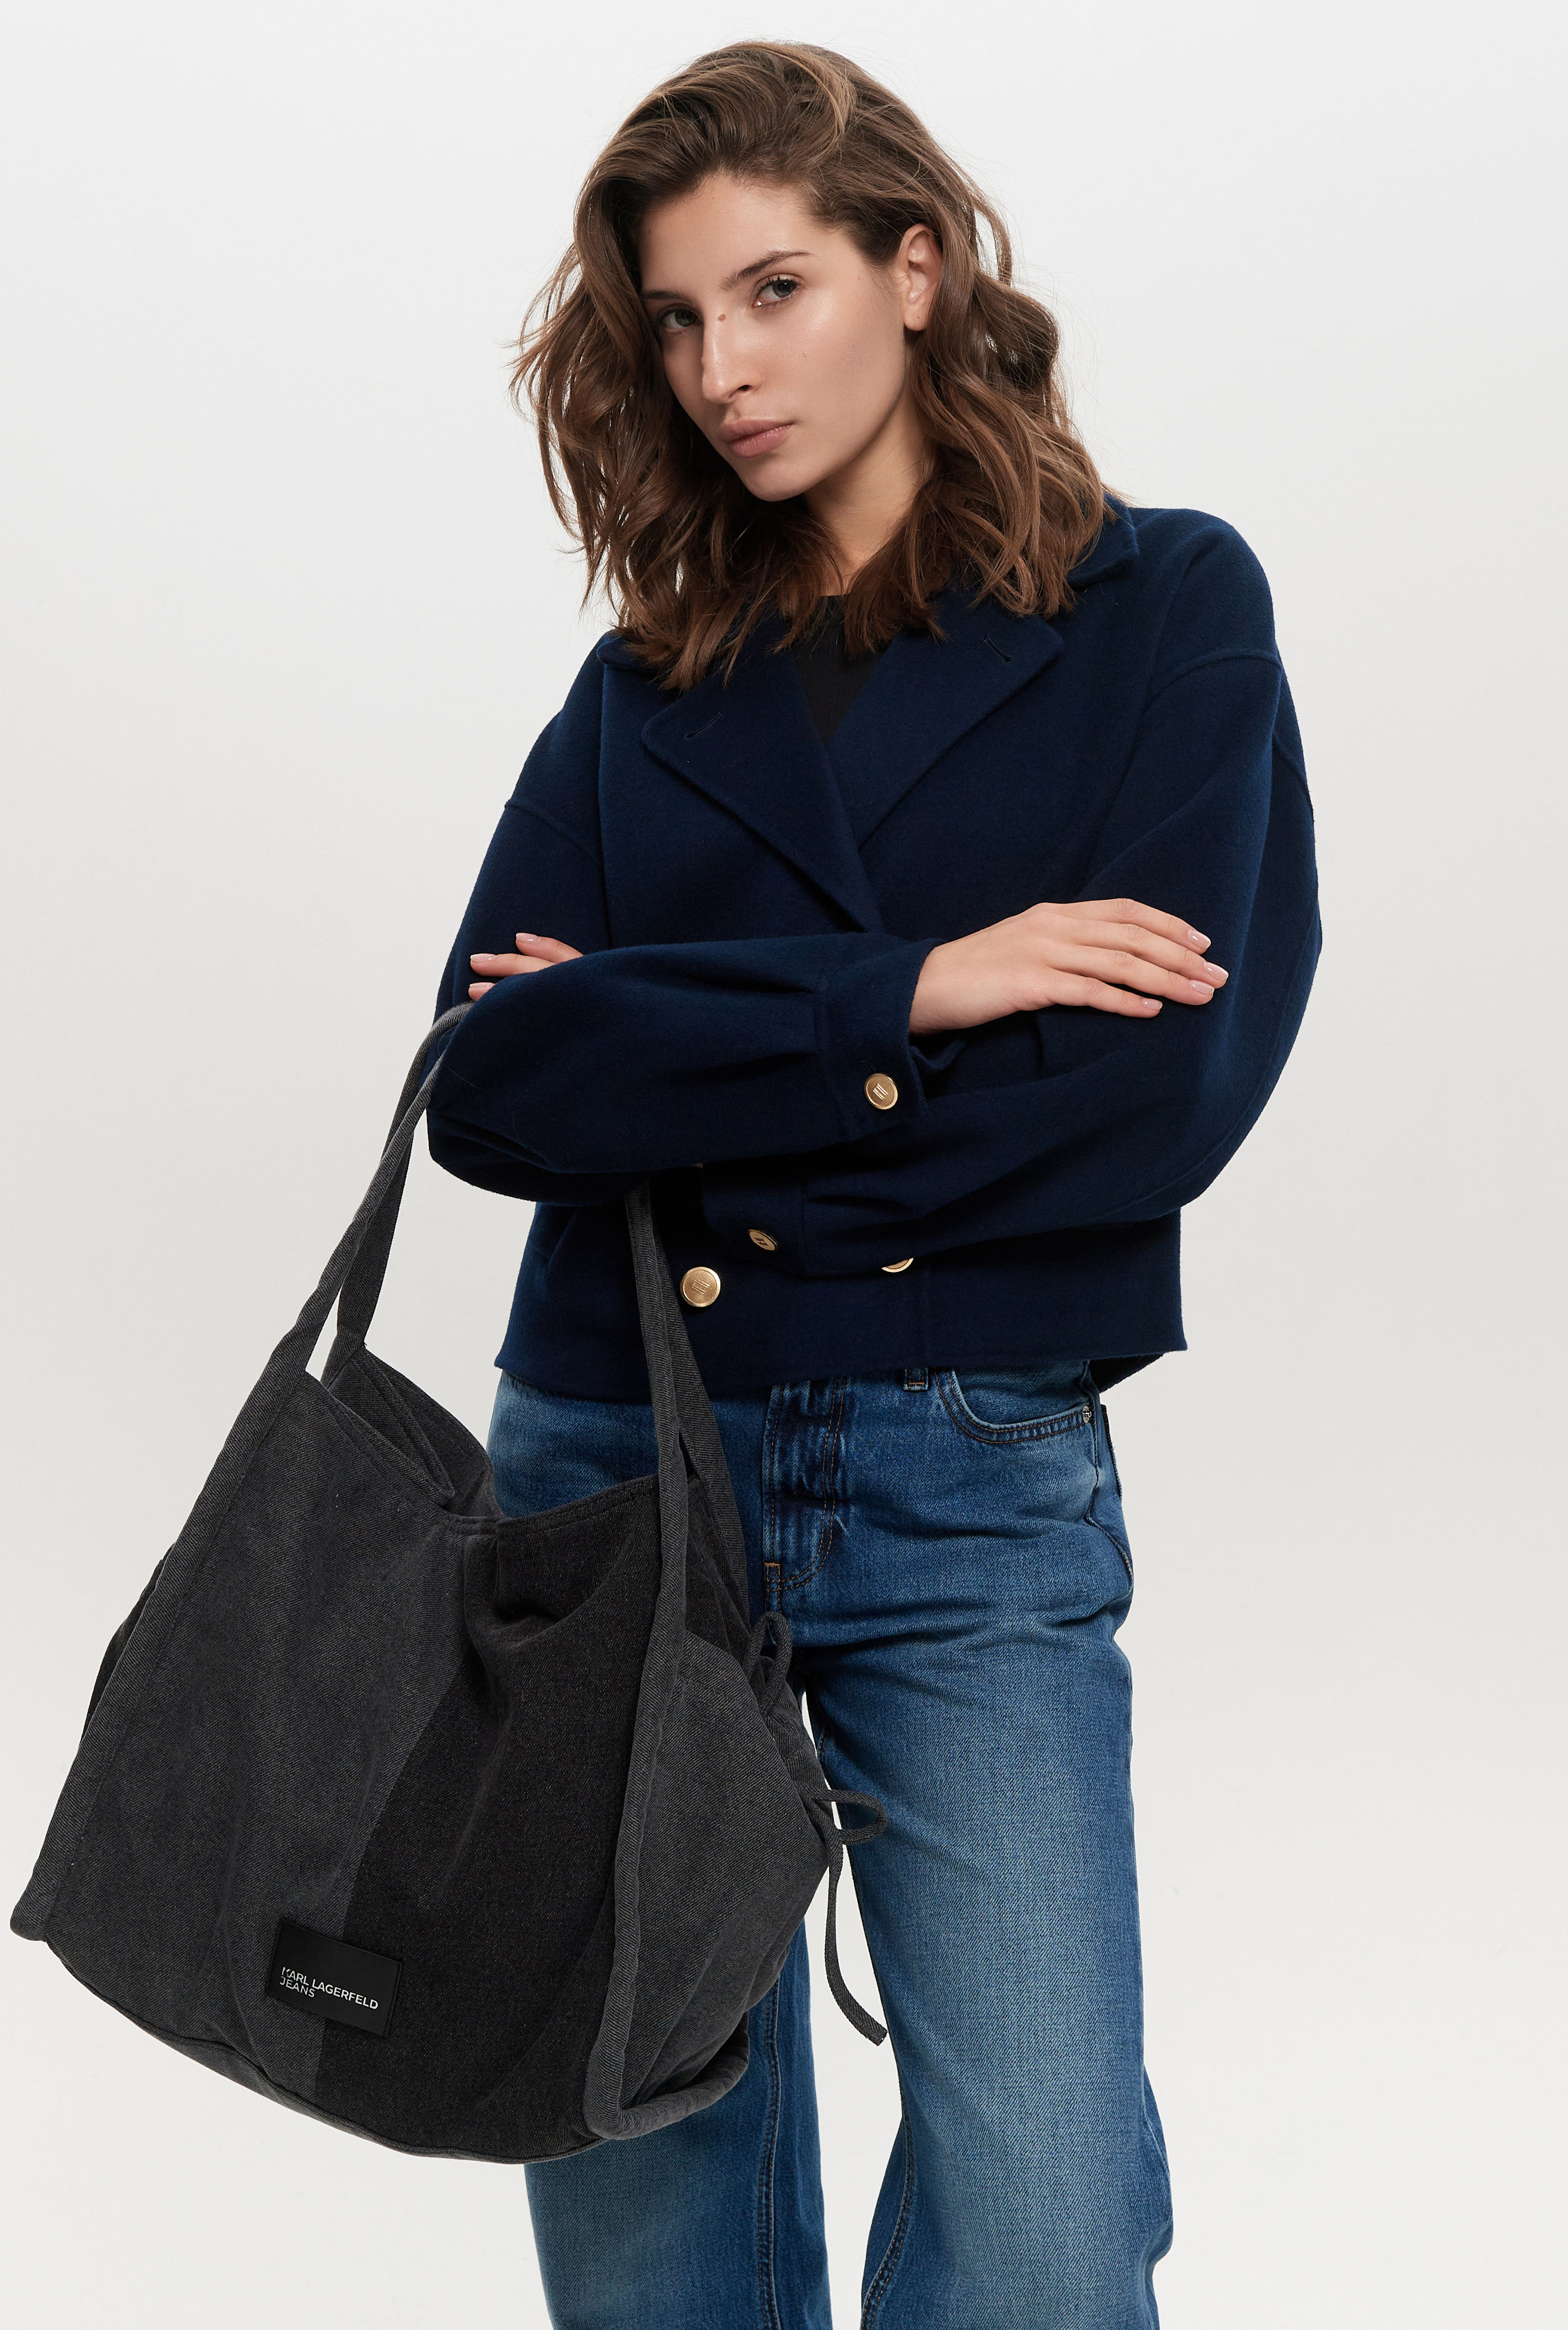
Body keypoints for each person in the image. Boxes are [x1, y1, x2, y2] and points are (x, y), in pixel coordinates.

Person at [426, 39, 1320, 2330]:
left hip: (965, 1469)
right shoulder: (645, 689)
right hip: (620, 1463)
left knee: (1046, 2239)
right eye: (675, 321)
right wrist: (914, 989)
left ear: (915, 271)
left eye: (774, 290)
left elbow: (1148, 1096)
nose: (720, 369)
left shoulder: (1162, 610)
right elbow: (491, 1085)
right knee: (645, 2215)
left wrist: (670, 1050)